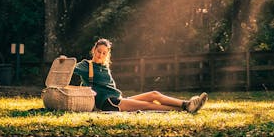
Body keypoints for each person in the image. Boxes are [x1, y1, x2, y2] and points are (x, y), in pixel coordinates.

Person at [74, 38, 208, 114]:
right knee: (147, 105)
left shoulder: (104, 67)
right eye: (99, 52)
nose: (101, 55)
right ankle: (186, 109)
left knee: (154, 94)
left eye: (104, 53)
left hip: (117, 99)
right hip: (107, 103)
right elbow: (70, 69)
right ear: (94, 50)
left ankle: (186, 104)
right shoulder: (86, 65)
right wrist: (63, 61)